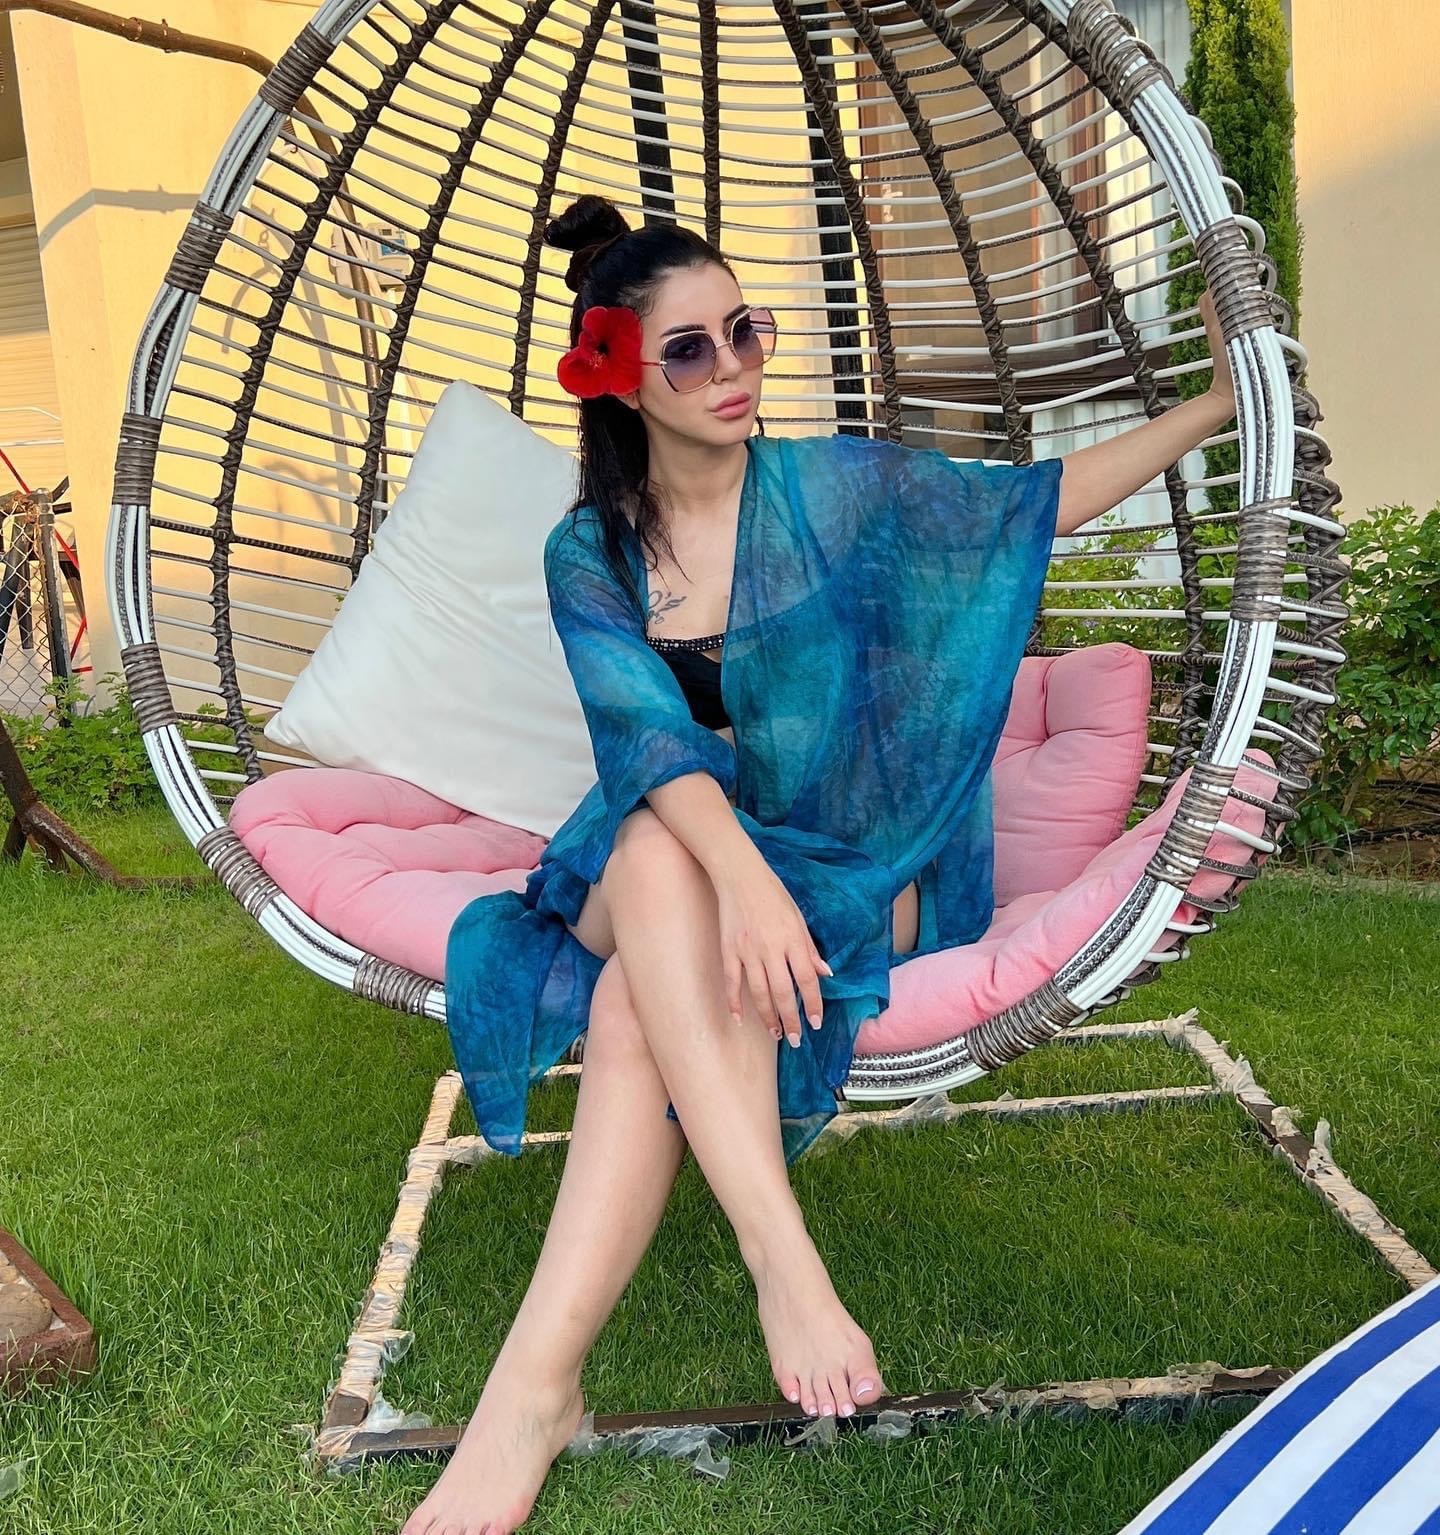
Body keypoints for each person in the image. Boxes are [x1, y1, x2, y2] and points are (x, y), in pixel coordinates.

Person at [403, 191, 1238, 1535]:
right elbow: (643, 742)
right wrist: (746, 886)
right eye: (689, 350)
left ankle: (535, 1392)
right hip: (676, 843)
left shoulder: (836, 492)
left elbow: (1026, 510)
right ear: (617, 376)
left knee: (633, 993)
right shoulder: (588, 552)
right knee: (658, 840)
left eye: (746, 331)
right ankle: (782, 1259)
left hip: (855, 844)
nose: (732, 369)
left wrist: (1214, 405)